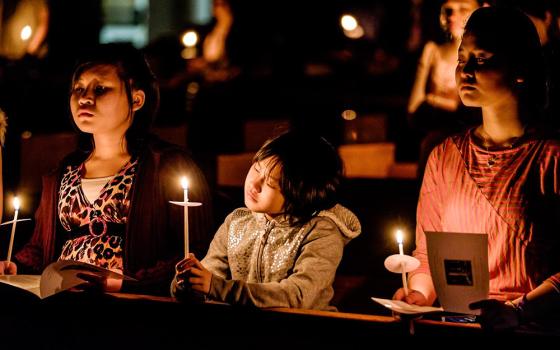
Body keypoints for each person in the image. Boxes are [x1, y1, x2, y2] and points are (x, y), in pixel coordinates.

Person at [394, 7, 560, 331]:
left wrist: (519, 310)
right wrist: (417, 295)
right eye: (461, 58)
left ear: (520, 69)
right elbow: (428, 257)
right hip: (458, 326)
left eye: (482, 59)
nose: (465, 71)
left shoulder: (551, 159)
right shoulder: (444, 157)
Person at [0, 43, 213, 296]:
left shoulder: (168, 166)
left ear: (136, 99)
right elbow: (39, 248)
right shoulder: (62, 173)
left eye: (100, 89)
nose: (85, 98)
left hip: (132, 306)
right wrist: (17, 265)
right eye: (78, 88)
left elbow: (196, 250)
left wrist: (123, 284)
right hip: (62, 302)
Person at [171, 131, 361, 310]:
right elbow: (208, 280)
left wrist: (217, 287)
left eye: (270, 182)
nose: (254, 184)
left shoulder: (321, 232)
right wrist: (188, 283)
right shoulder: (237, 223)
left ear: (299, 194)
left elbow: (297, 295)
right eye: (256, 169)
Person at [407, 0, 483, 178]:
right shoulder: (435, 51)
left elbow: (471, 111)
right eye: (448, 11)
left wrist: (434, 100)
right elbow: (412, 111)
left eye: (463, 9)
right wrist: (424, 64)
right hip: (436, 145)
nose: (453, 17)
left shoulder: (487, 57)